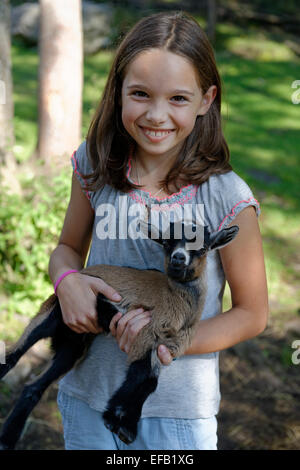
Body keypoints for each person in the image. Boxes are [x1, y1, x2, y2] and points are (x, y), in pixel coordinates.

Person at [49, 11, 269, 450]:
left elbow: (253, 313)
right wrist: (67, 280)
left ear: (207, 99)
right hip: (87, 396)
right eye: (141, 94)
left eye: (178, 99)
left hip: (177, 415)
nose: (156, 114)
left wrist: (169, 341)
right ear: (118, 93)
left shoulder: (227, 197)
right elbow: (67, 247)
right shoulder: (95, 166)